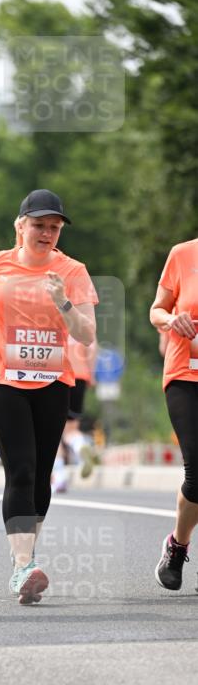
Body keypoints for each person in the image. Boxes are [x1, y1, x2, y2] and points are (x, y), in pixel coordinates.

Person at [0, 189, 97, 605]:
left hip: (53, 382)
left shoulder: (72, 271)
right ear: (20, 226)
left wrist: (63, 302)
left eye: (54, 227)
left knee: (41, 477)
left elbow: (87, 334)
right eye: (39, 225)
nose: (47, 233)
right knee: (20, 470)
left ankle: (25, 554)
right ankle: (23, 565)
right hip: (1, 379)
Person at [149, 237, 198, 592]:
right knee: (197, 471)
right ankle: (177, 546)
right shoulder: (183, 254)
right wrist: (170, 319)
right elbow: (156, 310)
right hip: (186, 375)